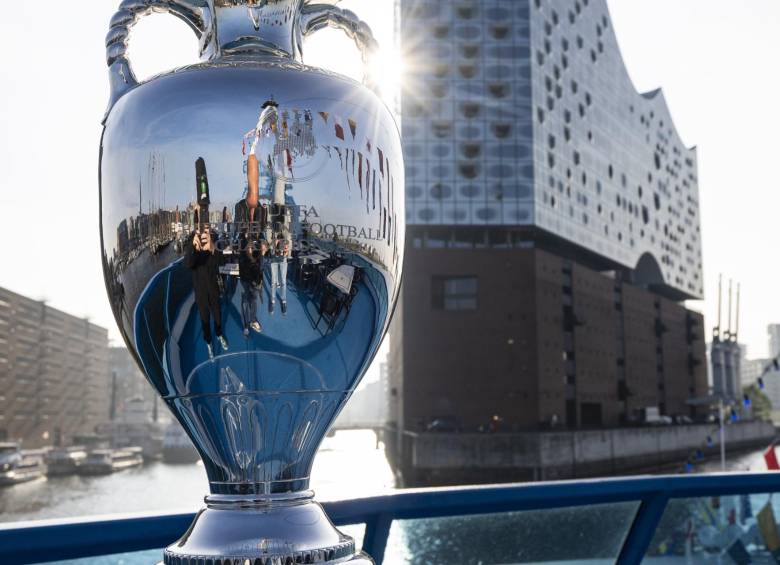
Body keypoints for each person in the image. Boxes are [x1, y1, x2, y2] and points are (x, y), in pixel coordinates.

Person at [184, 229, 229, 358]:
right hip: (201, 294)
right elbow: (188, 264)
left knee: (218, 317)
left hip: (214, 290)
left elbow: (222, 262)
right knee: (205, 320)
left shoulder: (214, 238)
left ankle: (219, 334)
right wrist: (193, 248)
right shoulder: (192, 240)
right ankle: (208, 342)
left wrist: (213, 248)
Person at [239, 238, 267, 336]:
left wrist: (262, 254)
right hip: (246, 281)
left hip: (255, 282)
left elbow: (261, 267)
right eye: (249, 247)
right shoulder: (242, 255)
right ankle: (246, 325)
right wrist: (255, 257)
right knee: (246, 303)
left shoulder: (257, 248)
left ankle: (253, 320)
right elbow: (248, 266)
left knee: (254, 302)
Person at [269, 231, 291, 315]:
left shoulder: (285, 239)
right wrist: (275, 243)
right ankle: (272, 301)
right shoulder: (273, 239)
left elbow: (286, 253)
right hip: (274, 261)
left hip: (283, 261)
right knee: (273, 282)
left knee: (283, 282)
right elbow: (271, 252)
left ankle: (284, 301)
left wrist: (285, 252)